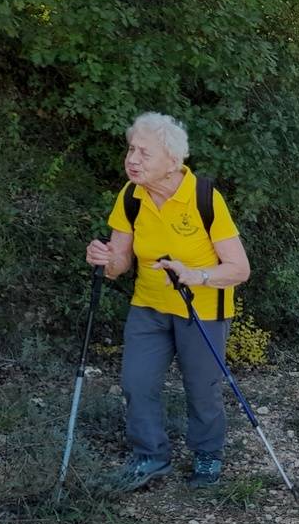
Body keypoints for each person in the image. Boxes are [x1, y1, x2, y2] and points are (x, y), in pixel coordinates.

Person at [85, 112, 251, 491]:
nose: (133, 159)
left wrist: (197, 276)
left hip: (202, 309)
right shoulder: (131, 196)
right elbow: (120, 263)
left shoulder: (205, 198)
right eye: (131, 150)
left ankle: (208, 455)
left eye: (145, 152)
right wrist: (104, 259)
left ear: (172, 162)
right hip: (149, 305)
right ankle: (150, 457)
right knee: (135, 382)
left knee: (202, 387)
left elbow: (240, 269)